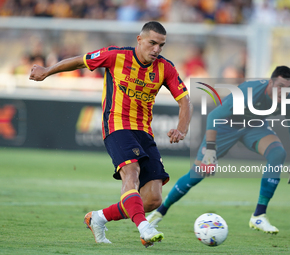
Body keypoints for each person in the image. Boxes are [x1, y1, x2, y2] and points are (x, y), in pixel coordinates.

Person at [29, 21, 192, 247]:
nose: (156, 49)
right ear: (139, 40)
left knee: (153, 198)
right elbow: (79, 61)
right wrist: (47, 71)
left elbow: (185, 101)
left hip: (144, 132)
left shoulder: (165, 68)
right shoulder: (115, 56)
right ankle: (144, 227)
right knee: (131, 173)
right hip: (116, 125)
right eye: (152, 43)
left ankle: (99, 217)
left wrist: (182, 128)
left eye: (161, 45)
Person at [147, 66, 290, 234]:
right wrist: (210, 151)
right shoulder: (249, 92)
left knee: (278, 153)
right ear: (270, 83)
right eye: (280, 86)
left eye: (288, 88)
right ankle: (159, 212)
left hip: (253, 126)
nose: (284, 92)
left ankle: (259, 215)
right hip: (225, 126)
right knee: (197, 174)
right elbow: (214, 116)